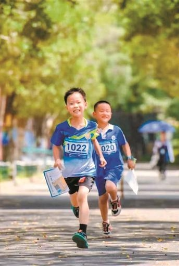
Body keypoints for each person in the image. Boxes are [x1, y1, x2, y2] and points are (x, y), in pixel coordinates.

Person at [51, 88, 107, 248]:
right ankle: (75, 207)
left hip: (87, 170)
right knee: (75, 199)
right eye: (71, 103)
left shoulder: (91, 126)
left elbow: (94, 141)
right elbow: (55, 145)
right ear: (67, 107)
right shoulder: (62, 128)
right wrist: (57, 159)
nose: (75, 105)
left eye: (78, 102)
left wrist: (101, 157)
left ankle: (82, 232)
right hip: (68, 173)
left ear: (85, 104)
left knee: (83, 196)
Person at [92, 100, 136, 235]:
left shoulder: (116, 130)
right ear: (94, 114)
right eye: (101, 110)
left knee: (110, 187)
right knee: (103, 198)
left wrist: (129, 158)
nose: (105, 113)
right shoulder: (91, 131)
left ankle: (115, 200)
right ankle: (105, 222)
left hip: (114, 166)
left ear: (111, 113)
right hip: (98, 169)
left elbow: (125, 144)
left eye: (107, 110)